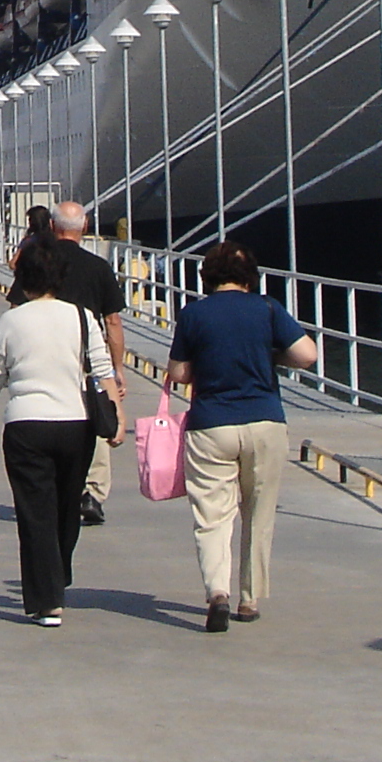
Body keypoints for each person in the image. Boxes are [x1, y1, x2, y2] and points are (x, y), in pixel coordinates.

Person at [166, 242, 316, 634]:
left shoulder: (193, 314)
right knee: (258, 512)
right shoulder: (267, 308)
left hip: (212, 423)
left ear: (207, 277)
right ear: (251, 276)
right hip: (265, 421)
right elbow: (307, 355)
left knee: (213, 516)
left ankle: (218, 592)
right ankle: (249, 598)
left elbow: (179, 374)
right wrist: (270, 357)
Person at [0, 253, 120, 625]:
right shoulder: (81, 316)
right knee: (68, 505)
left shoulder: (10, 320)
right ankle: (58, 574)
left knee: (34, 512)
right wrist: (118, 416)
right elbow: (102, 369)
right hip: (76, 423)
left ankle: (46, 600)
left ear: (23, 280)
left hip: (26, 424)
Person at [39, 202, 130, 525]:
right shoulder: (98, 267)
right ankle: (91, 493)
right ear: (86, 226)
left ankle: (57, 490)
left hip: (46, 354)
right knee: (97, 418)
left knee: (50, 417)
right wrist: (117, 369)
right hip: (91, 356)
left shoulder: (41, 263)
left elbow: (18, 309)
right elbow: (114, 322)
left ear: (52, 226)